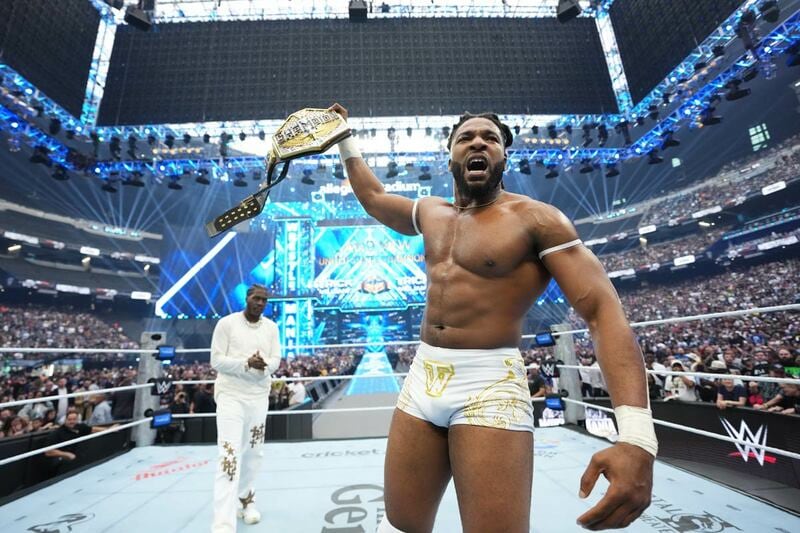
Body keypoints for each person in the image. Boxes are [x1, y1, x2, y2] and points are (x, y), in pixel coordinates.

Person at [329, 103, 656, 532]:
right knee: (400, 525)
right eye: (466, 137)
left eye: (491, 138)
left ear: (504, 155)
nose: (478, 142)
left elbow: (602, 312)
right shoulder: (431, 212)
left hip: (489, 384)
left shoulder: (537, 220)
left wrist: (637, 437)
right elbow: (374, 198)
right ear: (450, 154)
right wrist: (344, 140)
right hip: (423, 376)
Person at [210, 284, 281, 532]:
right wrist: (245, 363)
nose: (260, 303)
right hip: (230, 396)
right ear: (247, 298)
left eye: (264, 300)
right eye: (256, 298)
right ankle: (223, 521)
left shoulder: (271, 328)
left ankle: (246, 502)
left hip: (258, 396)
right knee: (229, 454)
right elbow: (216, 360)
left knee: (253, 452)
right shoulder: (226, 324)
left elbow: (276, 359)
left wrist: (264, 365)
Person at [44, 411, 116, 474]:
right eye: (69, 419)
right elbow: (48, 452)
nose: (72, 421)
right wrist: (66, 454)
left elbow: (93, 429)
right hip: (62, 461)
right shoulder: (57, 433)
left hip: (77, 459)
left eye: (74, 419)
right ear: (65, 420)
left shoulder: (79, 427)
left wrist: (109, 429)